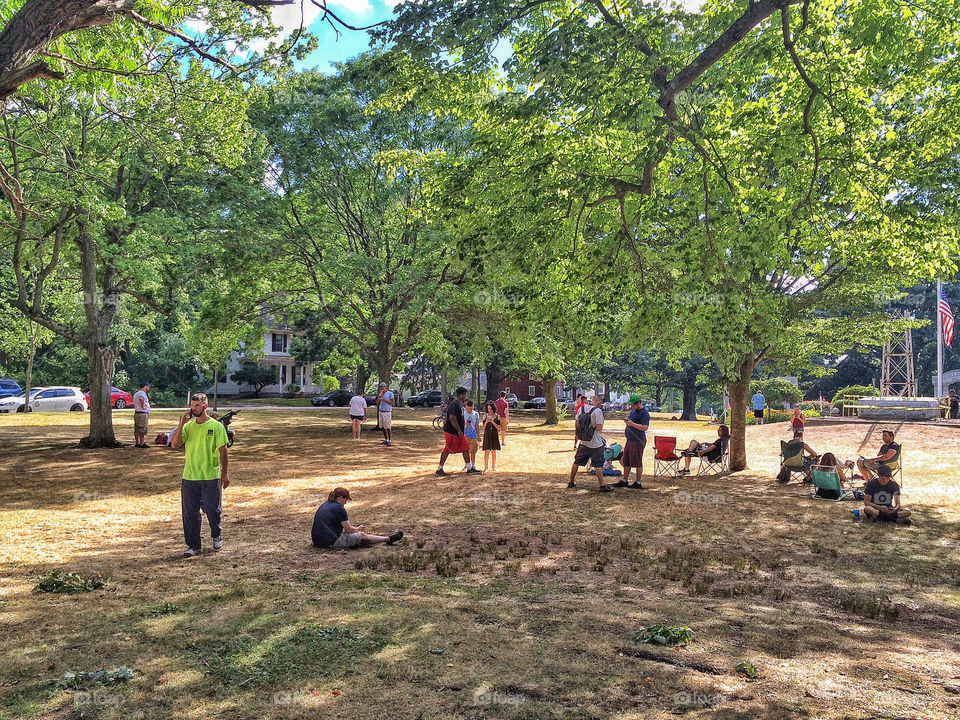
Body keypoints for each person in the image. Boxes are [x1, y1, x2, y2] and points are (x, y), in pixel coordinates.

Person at [171, 393, 230, 559]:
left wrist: (224, 474)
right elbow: (175, 444)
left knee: (212, 510)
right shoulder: (188, 426)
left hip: (210, 476)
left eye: (197, 405)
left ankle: (216, 534)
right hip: (190, 476)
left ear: (205, 406)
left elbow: (223, 452)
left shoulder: (216, 426)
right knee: (190, 513)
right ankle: (193, 545)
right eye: (192, 405)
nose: (193, 408)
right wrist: (181, 423)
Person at [311, 487, 404, 549]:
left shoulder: (326, 504)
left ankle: (364, 541)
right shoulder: (339, 508)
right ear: (340, 498)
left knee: (356, 533)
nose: (346, 502)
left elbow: (343, 528)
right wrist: (357, 529)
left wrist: (356, 529)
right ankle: (388, 539)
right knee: (362, 535)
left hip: (317, 540)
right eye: (345, 499)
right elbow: (349, 529)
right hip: (330, 542)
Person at [568, 395, 611, 492]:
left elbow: (577, 423)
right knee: (598, 464)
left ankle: (571, 481)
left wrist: (580, 434)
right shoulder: (598, 411)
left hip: (583, 441)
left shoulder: (582, 408)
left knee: (577, 462)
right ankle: (602, 485)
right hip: (595, 443)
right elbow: (599, 428)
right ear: (599, 403)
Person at [436, 387, 477, 476]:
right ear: (461, 395)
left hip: (458, 432)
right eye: (465, 394)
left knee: (465, 448)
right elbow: (452, 417)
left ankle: (469, 468)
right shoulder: (454, 404)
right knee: (448, 449)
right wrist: (458, 430)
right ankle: (439, 469)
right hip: (452, 432)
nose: (466, 396)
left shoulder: (459, 404)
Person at [615, 394, 648, 490]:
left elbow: (644, 427)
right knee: (626, 460)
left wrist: (632, 424)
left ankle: (638, 482)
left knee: (637, 461)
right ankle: (624, 480)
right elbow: (630, 422)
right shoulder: (633, 411)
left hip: (638, 440)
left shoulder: (644, 413)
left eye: (633, 405)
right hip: (630, 440)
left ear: (638, 404)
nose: (631, 407)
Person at [481, 400, 501, 472]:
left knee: (493, 451)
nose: (490, 410)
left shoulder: (497, 416)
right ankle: (486, 467)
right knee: (487, 451)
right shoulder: (485, 416)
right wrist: (486, 421)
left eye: (491, 409)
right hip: (487, 435)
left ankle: (493, 466)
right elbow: (483, 427)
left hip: (494, 435)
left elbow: (499, 428)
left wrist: (492, 422)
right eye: (488, 409)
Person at [463, 399, 480, 472]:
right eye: (468, 409)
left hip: (473, 435)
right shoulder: (463, 414)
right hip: (465, 435)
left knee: (473, 451)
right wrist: (465, 424)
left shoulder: (476, 414)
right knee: (466, 451)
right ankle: (467, 465)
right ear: (465, 407)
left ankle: (473, 465)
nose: (469, 410)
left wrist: (478, 435)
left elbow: (477, 425)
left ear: (473, 407)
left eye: (471, 409)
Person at [133, 382, 151, 448]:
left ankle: (137, 443)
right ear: (145, 386)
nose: (148, 388)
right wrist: (143, 406)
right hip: (142, 414)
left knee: (137, 429)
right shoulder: (142, 393)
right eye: (148, 386)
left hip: (137, 413)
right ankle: (142, 443)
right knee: (142, 429)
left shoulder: (137, 393)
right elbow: (141, 398)